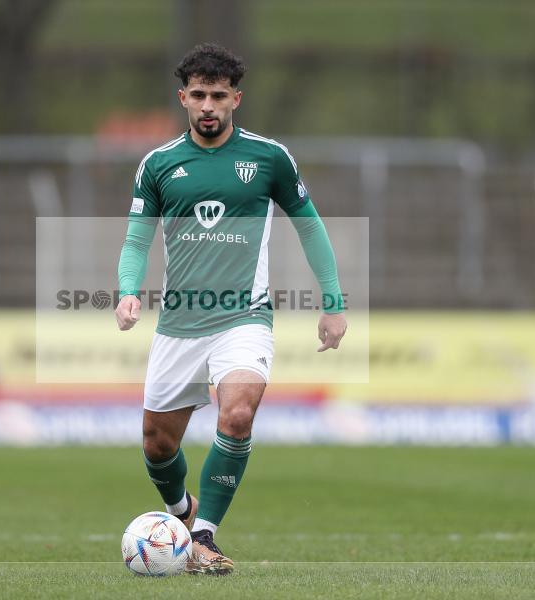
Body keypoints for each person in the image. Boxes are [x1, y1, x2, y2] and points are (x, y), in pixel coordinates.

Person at [115, 43, 347, 574]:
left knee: (237, 413)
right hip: (179, 325)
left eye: (219, 95)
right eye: (198, 95)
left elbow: (309, 227)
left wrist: (333, 302)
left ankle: (203, 535)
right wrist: (128, 288)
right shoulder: (158, 164)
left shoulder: (270, 158)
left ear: (236, 98)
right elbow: (135, 240)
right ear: (183, 98)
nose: (208, 106)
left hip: (245, 317)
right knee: (156, 445)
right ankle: (181, 511)